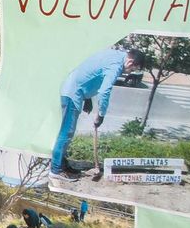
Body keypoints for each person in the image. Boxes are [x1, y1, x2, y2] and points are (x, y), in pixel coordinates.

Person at [52, 45, 146, 179]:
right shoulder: (116, 65)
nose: (128, 72)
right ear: (130, 62)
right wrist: (101, 115)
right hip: (72, 93)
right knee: (66, 132)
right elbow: (104, 91)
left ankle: (61, 164)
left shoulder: (112, 54)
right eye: (132, 69)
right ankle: (55, 170)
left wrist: (88, 97)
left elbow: (91, 72)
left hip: (74, 89)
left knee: (67, 132)